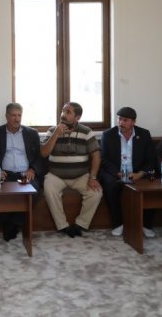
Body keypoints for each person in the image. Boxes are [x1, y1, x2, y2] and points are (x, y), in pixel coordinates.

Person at [0, 102, 42, 241]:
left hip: (25, 174)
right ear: (7, 116)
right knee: (1, 193)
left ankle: (13, 224)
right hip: (5, 174)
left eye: (19, 115)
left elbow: (40, 157)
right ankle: (9, 225)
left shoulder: (32, 134)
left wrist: (33, 169)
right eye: (13, 115)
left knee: (34, 191)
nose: (17, 119)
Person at [41, 102, 102, 238]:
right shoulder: (52, 130)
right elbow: (44, 153)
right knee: (49, 189)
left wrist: (93, 177)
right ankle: (63, 225)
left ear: (77, 117)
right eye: (63, 111)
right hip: (56, 175)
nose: (63, 115)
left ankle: (80, 224)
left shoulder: (86, 132)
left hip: (80, 176)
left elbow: (96, 157)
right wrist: (56, 134)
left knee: (96, 193)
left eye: (68, 112)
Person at [99, 107, 157, 238]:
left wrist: (140, 174)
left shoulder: (144, 134)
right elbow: (104, 159)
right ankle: (118, 223)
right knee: (111, 185)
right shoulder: (108, 135)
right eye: (119, 119)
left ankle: (146, 224)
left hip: (137, 172)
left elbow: (151, 159)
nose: (121, 122)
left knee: (152, 186)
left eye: (125, 120)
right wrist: (118, 173)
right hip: (116, 172)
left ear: (133, 122)